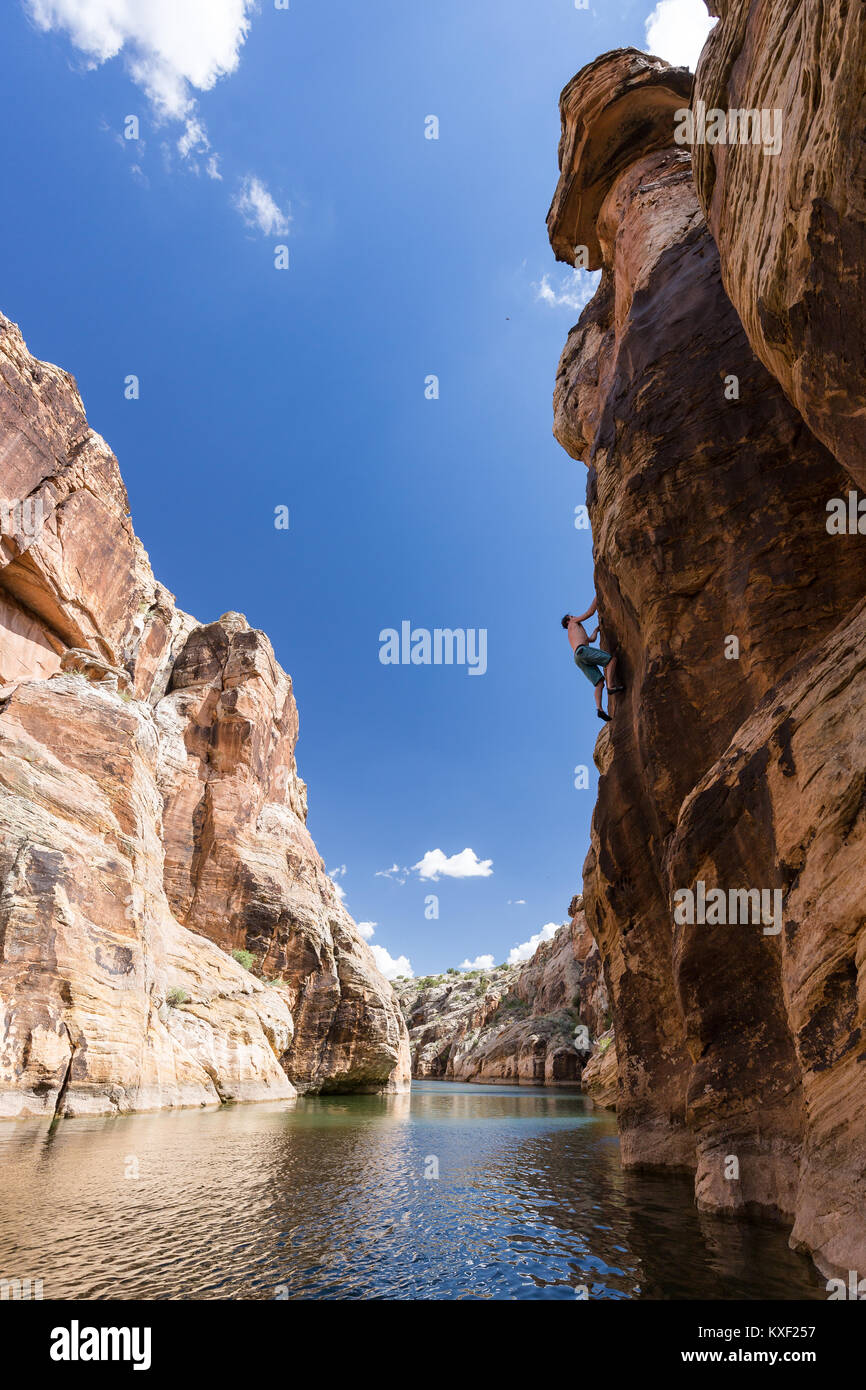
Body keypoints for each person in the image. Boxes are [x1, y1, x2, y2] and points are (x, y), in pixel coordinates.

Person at [561, 599, 623, 723]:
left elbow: (590, 639)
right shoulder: (573, 622)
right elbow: (589, 613)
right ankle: (611, 687)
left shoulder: (573, 633)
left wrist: (595, 630)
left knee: (599, 683)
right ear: (569, 619)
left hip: (578, 656)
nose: (574, 616)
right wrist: (597, 597)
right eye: (572, 616)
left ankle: (599, 709)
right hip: (582, 651)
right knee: (612, 660)